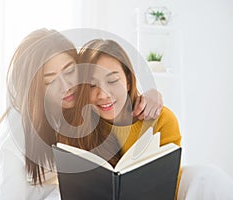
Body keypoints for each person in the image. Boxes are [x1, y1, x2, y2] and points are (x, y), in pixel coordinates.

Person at [0, 29, 164, 200]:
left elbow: (117, 95)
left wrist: (150, 95)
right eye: (50, 80)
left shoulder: (85, 105)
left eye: (70, 71)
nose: (66, 86)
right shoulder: (15, 139)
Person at [59, 38, 182, 194]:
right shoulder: (76, 127)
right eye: (91, 85)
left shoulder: (162, 120)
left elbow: (170, 189)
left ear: (128, 81)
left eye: (112, 80)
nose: (103, 95)